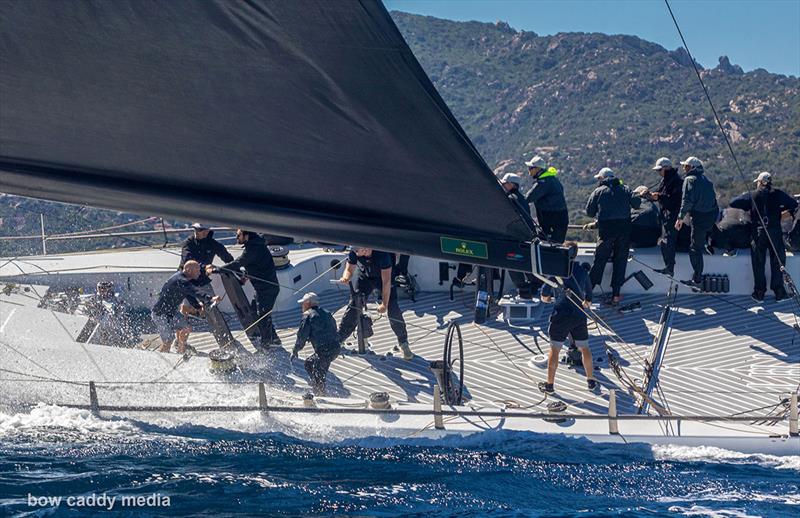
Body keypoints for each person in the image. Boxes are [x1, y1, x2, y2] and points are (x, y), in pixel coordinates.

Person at [730, 172, 798, 302]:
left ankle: (759, 293)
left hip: (758, 233)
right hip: (775, 232)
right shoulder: (778, 194)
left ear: (760, 182)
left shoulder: (753, 195)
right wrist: (782, 211)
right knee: (778, 261)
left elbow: (734, 202)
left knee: (758, 262)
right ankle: (779, 292)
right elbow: (794, 204)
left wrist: (749, 206)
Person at [538, 242, 597, 394]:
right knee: (585, 348)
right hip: (579, 315)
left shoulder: (556, 271)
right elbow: (589, 298)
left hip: (561, 315)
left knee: (555, 350)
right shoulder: (583, 271)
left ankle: (549, 385)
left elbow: (545, 295)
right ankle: (591, 381)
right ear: (576, 254)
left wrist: (548, 299)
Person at [337, 247, 411, 359]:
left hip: (384, 279)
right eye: (355, 251)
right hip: (365, 278)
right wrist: (346, 277)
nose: (356, 253)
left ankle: (403, 342)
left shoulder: (382, 255)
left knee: (393, 309)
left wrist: (384, 304)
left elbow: (386, 282)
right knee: (354, 305)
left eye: (358, 251)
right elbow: (349, 269)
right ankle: (340, 338)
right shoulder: (355, 251)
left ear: (366, 249)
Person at [210, 229, 281, 349]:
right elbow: (256, 264)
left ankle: (267, 345)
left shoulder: (253, 248)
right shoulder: (256, 245)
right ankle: (273, 338)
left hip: (266, 289)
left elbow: (238, 263)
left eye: (238, 235)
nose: (236, 237)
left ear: (246, 235)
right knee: (257, 312)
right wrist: (245, 276)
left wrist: (215, 270)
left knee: (262, 316)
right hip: (263, 288)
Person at [586, 167, 641, 304]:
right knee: (620, 261)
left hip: (606, 232)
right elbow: (636, 204)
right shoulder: (626, 189)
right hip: (624, 231)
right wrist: (637, 194)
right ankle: (616, 295)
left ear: (601, 179)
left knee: (599, 261)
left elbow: (590, 213)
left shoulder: (598, 191)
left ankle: (588, 293)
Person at [151, 260, 218, 353]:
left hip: (172, 312)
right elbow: (194, 291)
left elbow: (189, 295)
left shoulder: (183, 279)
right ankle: (160, 361)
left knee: (186, 328)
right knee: (168, 341)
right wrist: (210, 298)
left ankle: (180, 350)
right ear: (189, 270)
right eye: (197, 271)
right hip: (160, 314)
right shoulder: (181, 280)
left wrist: (198, 307)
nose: (199, 273)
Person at [675, 156, 719, 287]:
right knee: (710, 231)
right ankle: (727, 248)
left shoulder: (689, 180)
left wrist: (680, 218)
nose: (684, 168)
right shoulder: (707, 180)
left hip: (699, 217)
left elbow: (687, 201)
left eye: (686, 166)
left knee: (695, 248)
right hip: (711, 215)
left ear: (692, 168)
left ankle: (697, 279)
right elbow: (714, 201)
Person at [291, 292, 342, 395]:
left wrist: (295, 350)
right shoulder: (327, 313)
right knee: (311, 364)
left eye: (303, 303)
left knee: (315, 368)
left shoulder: (307, 315)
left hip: (324, 351)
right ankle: (318, 388)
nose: (302, 306)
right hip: (335, 348)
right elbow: (333, 329)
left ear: (308, 303)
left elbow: (302, 336)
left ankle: (320, 393)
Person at [502, 172, 538, 299]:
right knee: (524, 262)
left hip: (516, 237)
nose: (503, 185)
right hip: (524, 235)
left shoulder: (511, 198)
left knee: (512, 263)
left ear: (512, 185)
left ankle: (524, 289)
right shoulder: (519, 197)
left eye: (505, 183)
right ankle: (535, 285)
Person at [647, 157, 683, 276]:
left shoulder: (676, 181)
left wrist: (659, 197)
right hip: (667, 215)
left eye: (660, 170)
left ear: (667, 168)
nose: (659, 173)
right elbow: (661, 195)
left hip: (673, 215)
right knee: (666, 241)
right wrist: (649, 195)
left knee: (668, 241)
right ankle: (669, 266)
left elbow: (675, 200)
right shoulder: (666, 180)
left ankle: (669, 267)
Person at [180, 223, 234, 298]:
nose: (197, 232)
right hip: (186, 279)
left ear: (207, 231)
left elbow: (228, 259)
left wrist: (240, 274)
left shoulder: (213, 244)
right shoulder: (188, 243)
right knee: (186, 307)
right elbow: (187, 260)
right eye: (196, 229)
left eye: (200, 230)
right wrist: (205, 267)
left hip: (202, 279)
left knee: (212, 302)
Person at [524, 155, 569, 243]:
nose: (528, 170)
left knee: (550, 245)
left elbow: (528, 198)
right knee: (557, 243)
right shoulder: (552, 179)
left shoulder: (543, 182)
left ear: (537, 169)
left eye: (530, 168)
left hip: (551, 220)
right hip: (560, 219)